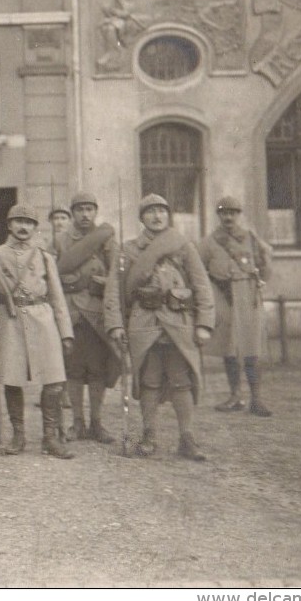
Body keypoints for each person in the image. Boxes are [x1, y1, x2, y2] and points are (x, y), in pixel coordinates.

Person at [103, 194, 215, 462]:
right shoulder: (128, 249)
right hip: (144, 321)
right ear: (142, 218)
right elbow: (114, 291)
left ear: (168, 216)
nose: (157, 217)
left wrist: (204, 324)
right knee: (149, 380)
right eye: (150, 212)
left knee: (182, 380)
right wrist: (116, 324)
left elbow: (201, 285)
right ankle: (149, 435)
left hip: (179, 321)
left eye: (161, 211)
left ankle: (186, 438)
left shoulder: (183, 247)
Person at [0, 204, 75, 459]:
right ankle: (18, 435)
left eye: (29, 222)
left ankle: (49, 437)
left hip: (43, 318)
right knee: (12, 379)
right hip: (10, 320)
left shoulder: (44, 257)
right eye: (18, 221)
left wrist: (65, 332)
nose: (23, 227)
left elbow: (57, 296)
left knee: (54, 380)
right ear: (9, 225)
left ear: (35, 227)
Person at [197, 196, 273, 417]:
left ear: (239, 215)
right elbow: (198, 269)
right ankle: (235, 396)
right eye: (224, 213)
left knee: (252, 348)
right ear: (218, 215)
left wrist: (260, 282)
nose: (228, 217)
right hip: (223, 296)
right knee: (229, 348)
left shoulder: (250, 238)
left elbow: (266, 261)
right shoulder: (210, 241)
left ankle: (256, 399)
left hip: (248, 297)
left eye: (233, 212)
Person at [55, 192, 120, 444]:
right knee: (73, 371)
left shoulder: (107, 241)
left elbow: (117, 275)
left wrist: (101, 283)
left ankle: (96, 422)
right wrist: (70, 282)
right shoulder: (60, 240)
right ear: (72, 212)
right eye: (80, 209)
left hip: (97, 314)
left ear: (96, 212)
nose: (85, 214)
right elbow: (48, 274)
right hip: (71, 314)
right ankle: (77, 423)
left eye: (89, 209)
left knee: (97, 372)